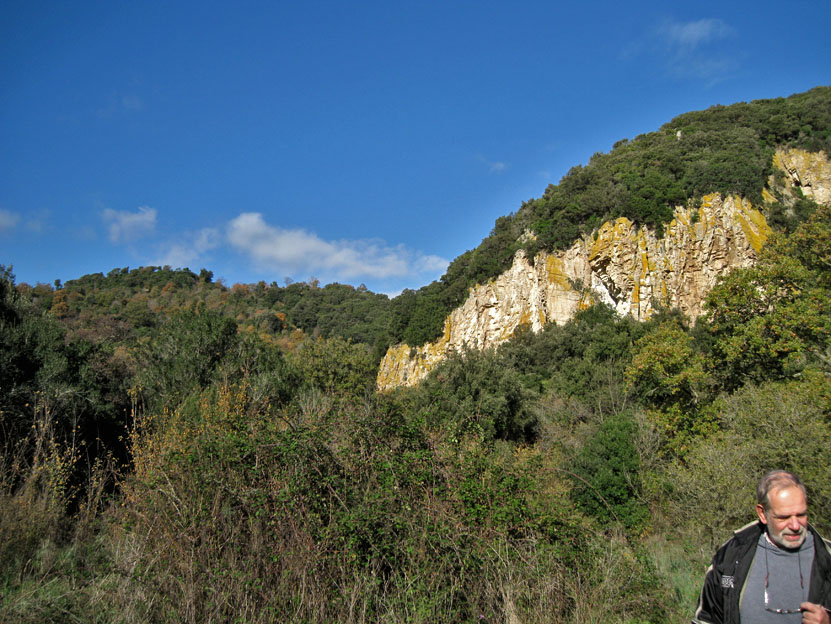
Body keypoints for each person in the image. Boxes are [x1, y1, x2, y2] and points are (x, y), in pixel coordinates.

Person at [693, 470, 831, 624]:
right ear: (762, 514)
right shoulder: (731, 555)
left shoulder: (827, 556)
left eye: (801, 515)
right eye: (784, 517)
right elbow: (706, 618)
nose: (795, 525)